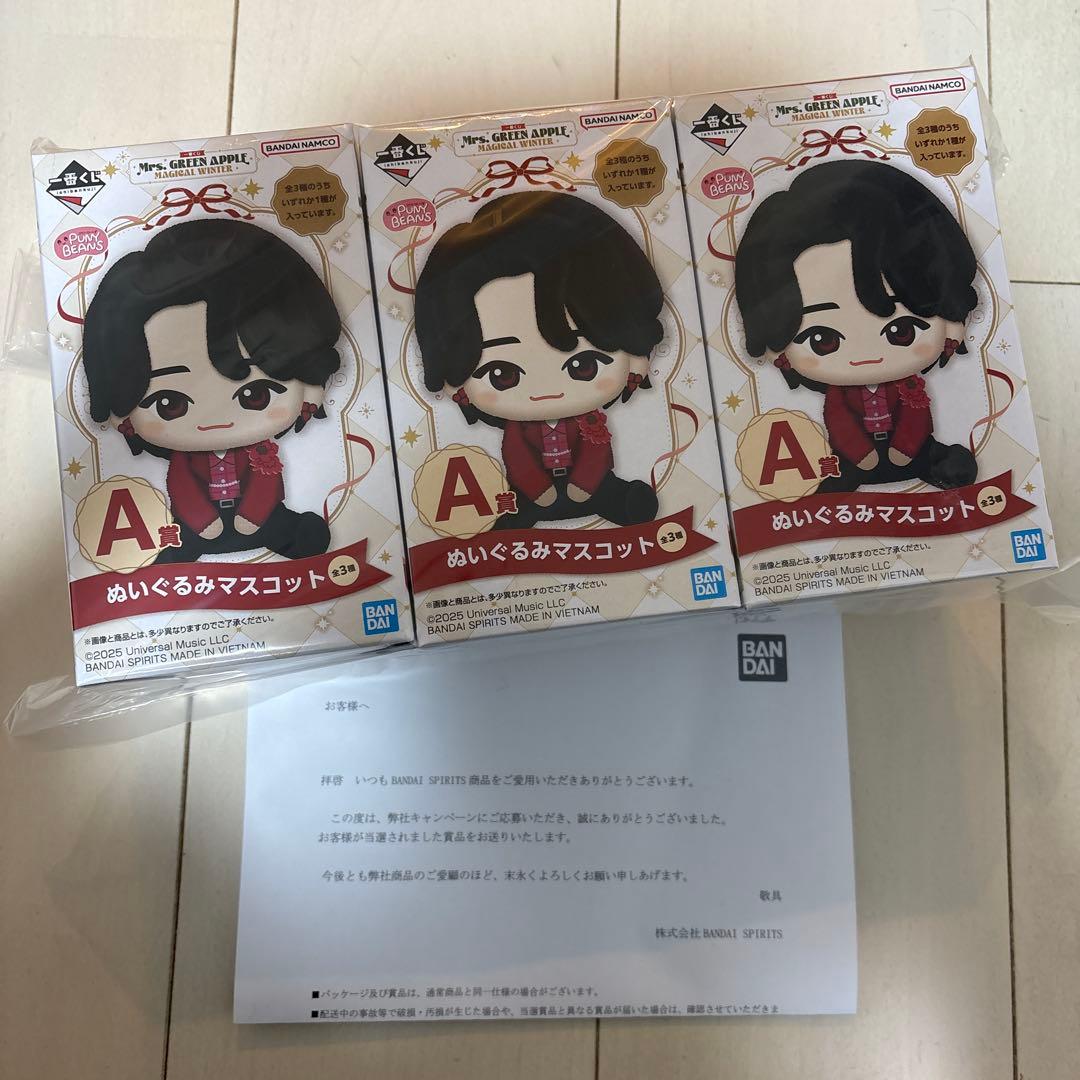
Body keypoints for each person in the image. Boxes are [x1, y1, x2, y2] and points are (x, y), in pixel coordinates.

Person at [83, 218, 340, 562]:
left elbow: (266, 483)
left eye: (255, 395)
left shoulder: (262, 452)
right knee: (180, 543)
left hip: (260, 518)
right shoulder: (185, 460)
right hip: (199, 525)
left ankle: (286, 534)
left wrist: (253, 516)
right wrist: (203, 522)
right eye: (170, 404)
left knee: (287, 529)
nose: (215, 420)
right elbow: (182, 487)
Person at [414, 190, 663, 528]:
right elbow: (517, 457)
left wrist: (583, 485)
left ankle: (621, 502)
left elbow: (596, 452)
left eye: (583, 366)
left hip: (591, 487)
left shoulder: (590, 422)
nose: (547, 390)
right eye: (502, 374)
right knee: (517, 509)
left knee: (611, 494)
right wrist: (538, 489)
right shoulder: (520, 431)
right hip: (534, 492)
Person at [735, 160, 980, 492]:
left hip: (912, 450)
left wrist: (905, 448)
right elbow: (839, 422)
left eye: (901, 331)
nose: (866, 356)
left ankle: (934, 464)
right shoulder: (840, 396)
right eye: (822, 340)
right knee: (840, 472)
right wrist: (861, 453)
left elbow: (916, 417)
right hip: (854, 457)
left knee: (931, 457)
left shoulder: (909, 387)